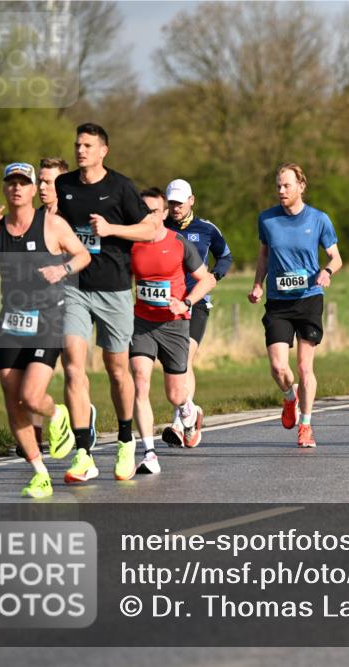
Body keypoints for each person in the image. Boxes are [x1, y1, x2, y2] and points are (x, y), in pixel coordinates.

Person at [0, 163, 91, 497]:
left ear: (33, 187)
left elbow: (82, 256)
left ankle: (58, 414)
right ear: (5, 188)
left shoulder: (51, 224)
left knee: (31, 396)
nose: (17, 189)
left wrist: (62, 268)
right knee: (13, 402)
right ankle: (40, 473)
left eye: (23, 183)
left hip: (47, 319)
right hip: (10, 321)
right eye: (11, 183)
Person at [55, 123, 159, 484]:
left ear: (103, 151)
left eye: (88, 145)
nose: (81, 150)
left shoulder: (120, 187)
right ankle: (83, 452)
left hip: (114, 288)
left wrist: (113, 230)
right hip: (75, 287)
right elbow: (55, 227)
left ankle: (126, 439)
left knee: (117, 370)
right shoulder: (64, 186)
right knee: (72, 366)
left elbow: (150, 229)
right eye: (77, 144)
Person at [249, 164, 342, 448]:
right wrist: (257, 284)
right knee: (278, 367)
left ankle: (306, 425)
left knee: (304, 366)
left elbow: (336, 257)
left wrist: (327, 271)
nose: (281, 191)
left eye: (286, 185)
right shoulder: (267, 219)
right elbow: (264, 256)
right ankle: (290, 397)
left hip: (309, 298)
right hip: (278, 301)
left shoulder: (319, 219)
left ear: (301, 186)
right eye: (278, 185)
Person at [128, 188, 216, 475]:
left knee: (175, 395)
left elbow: (208, 279)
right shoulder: (131, 244)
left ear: (163, 214)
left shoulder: (178, 243)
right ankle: (149, 453)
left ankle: (189, 410)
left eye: (154, 211)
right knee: (140, 381)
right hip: (142, 323)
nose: (148, 217)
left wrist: (187, 302)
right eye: (144, 211)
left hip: (174, 325)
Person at [159, 179, 233, 446]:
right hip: (167, 304)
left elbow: (225, 256)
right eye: (172, 203)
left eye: (180, 202)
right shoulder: (160, 227)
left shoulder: (207, 229)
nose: (176, 208)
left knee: (184, 359)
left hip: (196, 302)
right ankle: (192, 412)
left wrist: (213, 278)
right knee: (172, 364)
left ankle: (179, 423)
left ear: (192, 200)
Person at [15, 156, 72, 457]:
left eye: (51, 182)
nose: (45, 187)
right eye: (42, 181)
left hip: (66, 308)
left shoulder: (71, 220)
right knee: (26, 380)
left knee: (73, 373)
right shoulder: (31, 220)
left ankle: (79, 429)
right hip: (27, 311)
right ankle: (35, 433)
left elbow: (89, 260)